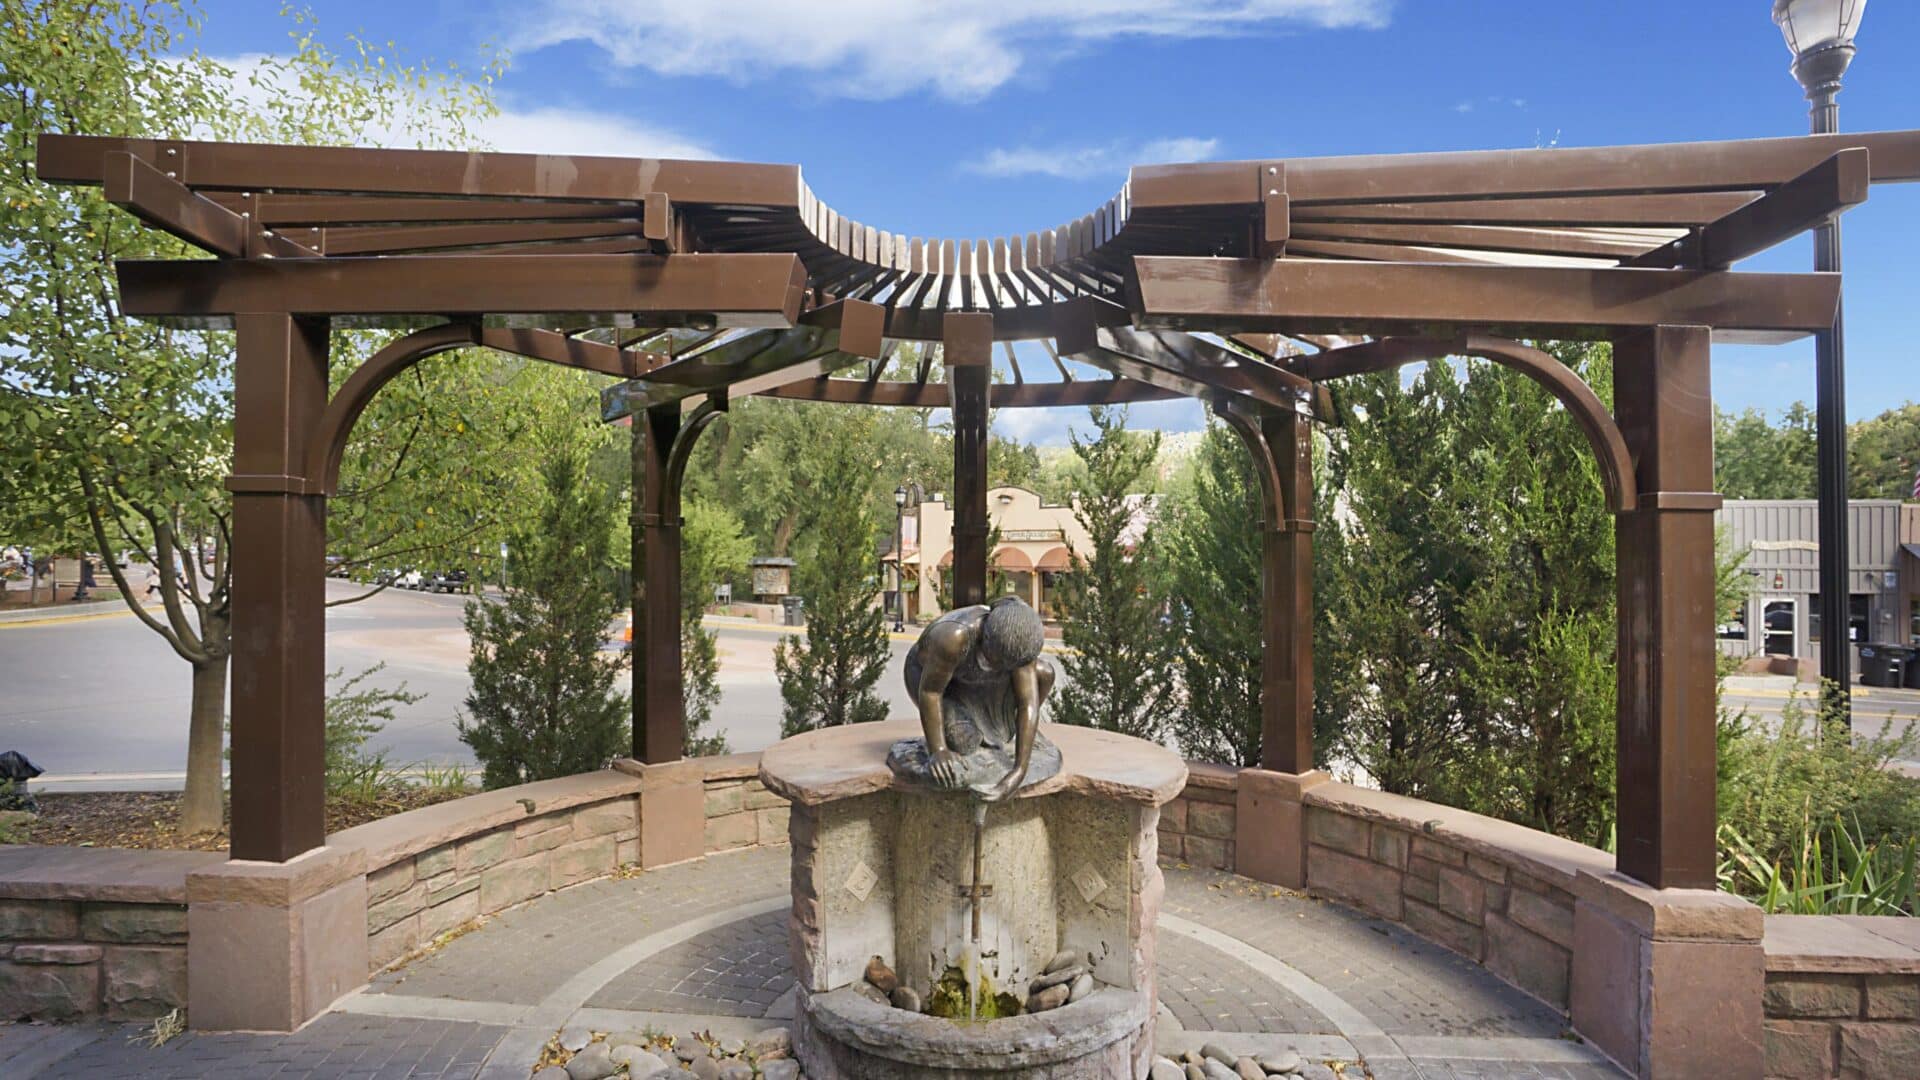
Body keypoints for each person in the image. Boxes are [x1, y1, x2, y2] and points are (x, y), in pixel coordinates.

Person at [891, 596, 1059, 802]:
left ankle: (1012, 730)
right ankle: (972, 725)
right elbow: (930, 692)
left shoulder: (1019, 642)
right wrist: (939, 750)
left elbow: (1028, 703)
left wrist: (1019, 771)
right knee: (963, 743)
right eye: (1001, 662)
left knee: (1044, 674)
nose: (1007, 668)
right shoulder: (953, 637)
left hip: (981, 681)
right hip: (936, 683)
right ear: (986, 639)